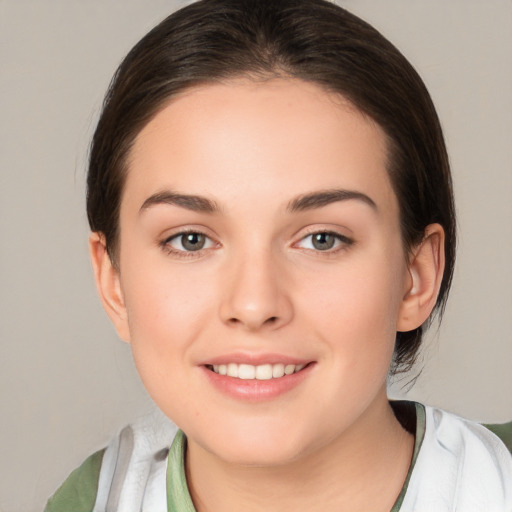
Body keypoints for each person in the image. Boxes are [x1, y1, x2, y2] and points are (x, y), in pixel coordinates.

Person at [45, 0, 512, 510]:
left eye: (322, 239)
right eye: (191, 240)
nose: (254, 303)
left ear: (416, 276)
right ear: (114, 282)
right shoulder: (90, 499)